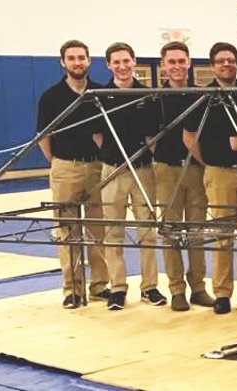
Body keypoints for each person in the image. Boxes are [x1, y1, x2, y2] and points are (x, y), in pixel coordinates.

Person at [182, 42, 237, 315]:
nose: (226, 64)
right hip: (218, 173)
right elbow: (189, 136)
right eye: (221, 61)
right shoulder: (203, 97)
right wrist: (209, 163)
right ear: (213, 65)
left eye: (231, 60)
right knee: (223, 235)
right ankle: (223, 292)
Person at [37, 40, 109, 309]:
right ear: (62, 62)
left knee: (97, 229)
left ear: (89, 61)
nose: (77, 62)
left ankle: (100, 285)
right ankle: (73, 289)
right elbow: (43, 135)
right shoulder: (51, 96)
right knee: (67, 230)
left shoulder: (99, 93)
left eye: (81, 57)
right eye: (71, 58)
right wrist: (57, 162)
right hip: (66, 167)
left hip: (97, 168)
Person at [97, 42, 164, 310]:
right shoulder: (100, 95)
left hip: (143, 171)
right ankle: (118, 288)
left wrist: (141, 160)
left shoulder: (147, 96)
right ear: (108, 65)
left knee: (147, 230)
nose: (122, 67)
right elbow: (98, 135)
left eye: (126, 61)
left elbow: (152, 138)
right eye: (117, 62)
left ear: (134, 62)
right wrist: (114, 159)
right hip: (112, 171)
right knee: (113, 230)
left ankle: (149, 287)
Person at [153, 41, 213, 311]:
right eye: (171, 62)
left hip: (197, 170)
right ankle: (177, 288)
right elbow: (149, 139)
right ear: (163, 65)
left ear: (189, 63)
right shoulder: (155, 98)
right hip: (167, 170)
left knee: (197, 231)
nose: (177, 66)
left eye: (181, 61)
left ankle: (198, 287)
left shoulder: (201, 95)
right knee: (171, 231)